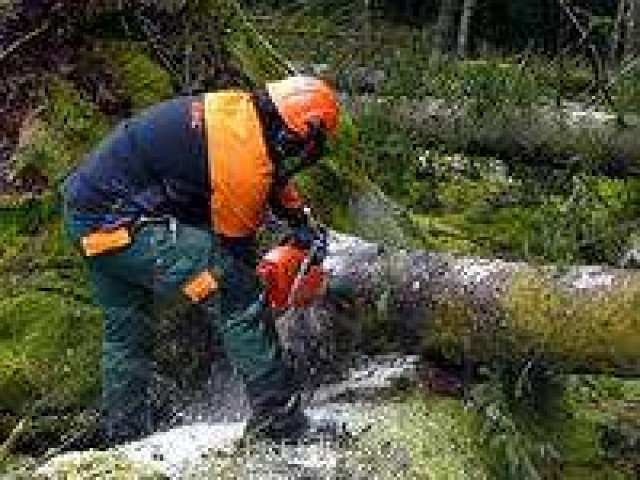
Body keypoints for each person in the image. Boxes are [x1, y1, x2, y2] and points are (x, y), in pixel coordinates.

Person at [60, 75, 340, 446]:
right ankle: (280, 420)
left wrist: (299, 218)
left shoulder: (237, 112)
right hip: (122, 227)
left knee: (127, 333)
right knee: (237, 295)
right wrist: (268, 284)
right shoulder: (245, 164)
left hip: (85, 216)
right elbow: (235, 248)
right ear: (297, 134)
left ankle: (125, 437)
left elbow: (271, 173)